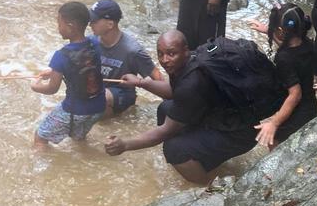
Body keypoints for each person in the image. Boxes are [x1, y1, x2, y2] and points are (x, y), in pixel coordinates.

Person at [104, 30, 259, 185]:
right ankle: (199, 160)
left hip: (241, 134)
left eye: (171, 54)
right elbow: (174, 91)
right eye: (160, 54)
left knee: (174, 149)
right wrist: (140, 82)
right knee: (165, 108)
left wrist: (124, 145)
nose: (165, 60)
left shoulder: (192, 83)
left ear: (185, 50)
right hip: (229, 119)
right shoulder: (190, 60)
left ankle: (210, 187)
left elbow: (164, 132)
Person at [31, 1, 105, 147]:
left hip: (74, 110)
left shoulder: (61, 55)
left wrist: (35, 85)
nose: (58, 28)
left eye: (60, 24)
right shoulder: (95, 42)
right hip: (99, 107)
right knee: (78, 138)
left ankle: (41, 168)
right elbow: (85, 63)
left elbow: (52, 89)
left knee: (40, 137)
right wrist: (54, 71)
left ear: (70, 26)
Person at [248, 4, 317, 150]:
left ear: (280, 31)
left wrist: (274, 123)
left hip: (297, 112)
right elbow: (290, 46)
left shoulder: (283, 58)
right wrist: (268, 31)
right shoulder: (308, 43)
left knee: (272, 139)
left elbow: (295, 95)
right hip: (311, 107)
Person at [88, 0, 163, 118]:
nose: (90, 24)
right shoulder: (91, 42)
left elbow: (158, 79)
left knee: (100, 98)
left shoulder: (132, 50)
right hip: (99, 90)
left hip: (121, 94)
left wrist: (170, 107)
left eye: (94, 21)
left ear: (110, 24)